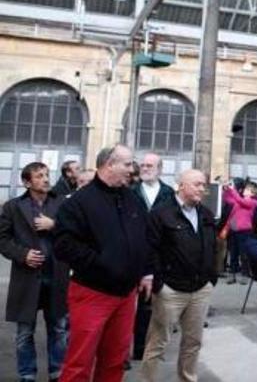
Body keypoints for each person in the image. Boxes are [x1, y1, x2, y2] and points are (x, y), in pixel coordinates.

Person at [53, 144, 151, 382]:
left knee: (115, 361)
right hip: (92, 292)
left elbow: (144, 238)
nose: (132, 169)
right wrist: (103, 264)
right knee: (79, 363)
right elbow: (64, 245)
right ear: (109, 164)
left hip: (126, 295)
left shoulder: (132, 200)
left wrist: (145, 271)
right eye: (127, 164)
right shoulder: (78, 202)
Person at [141, 170, 216, 382]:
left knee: (193, 342)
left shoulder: (206, 215)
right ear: (181, 186)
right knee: (158, 343)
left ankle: (187, 378)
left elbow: (214, 247)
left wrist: (211, 278)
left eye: (204, 185)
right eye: (197, 184)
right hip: (170, 290)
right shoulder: (161, 214)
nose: (202, 189)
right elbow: (150, 249)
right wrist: (159, 283)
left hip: (200, 288)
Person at [0, 162, 70, 382]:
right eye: (40, 176)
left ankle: (57, 373)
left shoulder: (61, 204)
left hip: (56, 276)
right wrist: (23, 255)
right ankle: (27, 375)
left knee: (59, 330)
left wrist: (54, 225)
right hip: (27, 279)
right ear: (27, 182)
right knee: (24, 333)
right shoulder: (12, 207)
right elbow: (2, 240)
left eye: (47, 175)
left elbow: (76, 233)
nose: (46, 179)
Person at [130, 152, 176, 362]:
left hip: (161, 256)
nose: (145, 168)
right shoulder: (130, 192)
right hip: (136, 255)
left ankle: (155, 348)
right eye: (143, 165)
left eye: (150, 165)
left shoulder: (168, 193)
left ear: (160, 169)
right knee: (136, 306)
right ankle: (137, 349)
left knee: (159, 305)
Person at [222, 180, 257, 284]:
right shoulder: (239, 201)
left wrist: (232, 189)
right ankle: (232, 275)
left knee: (244, 254)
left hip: (244, 231)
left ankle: (245, 275)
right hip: (234, 230)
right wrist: (226, 190)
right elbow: (228, 199)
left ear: (252, 193)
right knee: (233, 253)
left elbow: (239, 200)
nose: (245, 191)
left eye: (248, 190)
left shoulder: (253, 202)